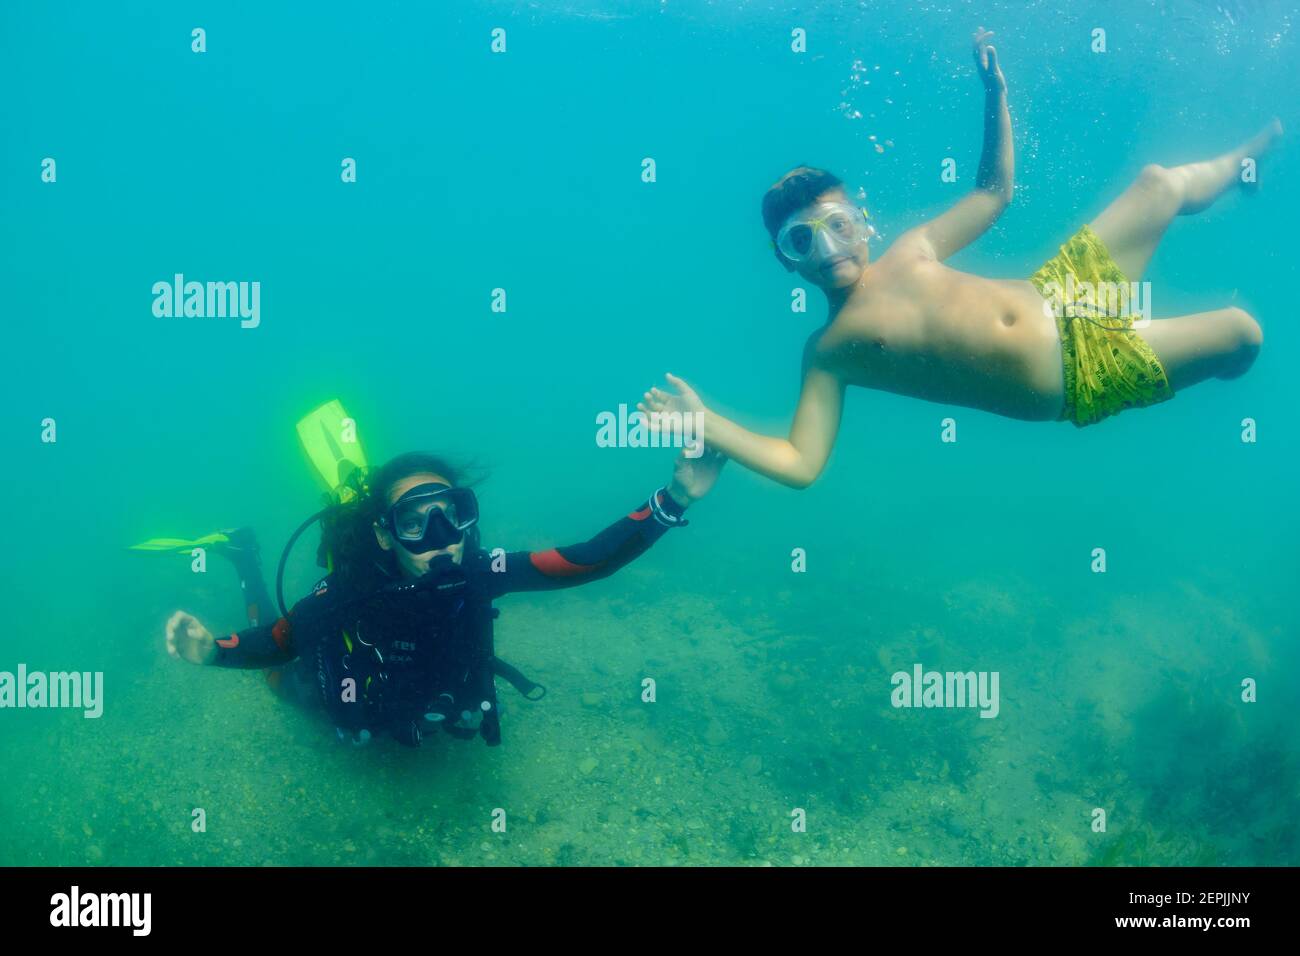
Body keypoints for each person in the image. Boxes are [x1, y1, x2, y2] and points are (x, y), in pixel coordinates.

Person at [639, 28, 1278, 488]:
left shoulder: (913, 247)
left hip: (1062, 292)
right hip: (1079, 376)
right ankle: (1165, 351)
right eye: (803, 241)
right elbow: (801, 464)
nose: (829, 246)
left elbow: (992, 194)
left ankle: (1235, 169)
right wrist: (710, 426)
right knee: (1243, 335)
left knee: (1160, 184)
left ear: (862, 223)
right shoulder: (829, 351)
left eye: (836, 224)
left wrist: (993, 94)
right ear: (788, 263)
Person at [160, 412, 723, 748]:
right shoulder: (351, 589)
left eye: (449, 513)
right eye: (412, 520)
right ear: (384, 536)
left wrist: (674, 500)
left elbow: (586, 560)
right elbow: (278, 642)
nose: (439, 535)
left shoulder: (479, 571)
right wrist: (214, 652)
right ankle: (244, 555)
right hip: (352, 689)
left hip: (432, 699)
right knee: (281, 688)